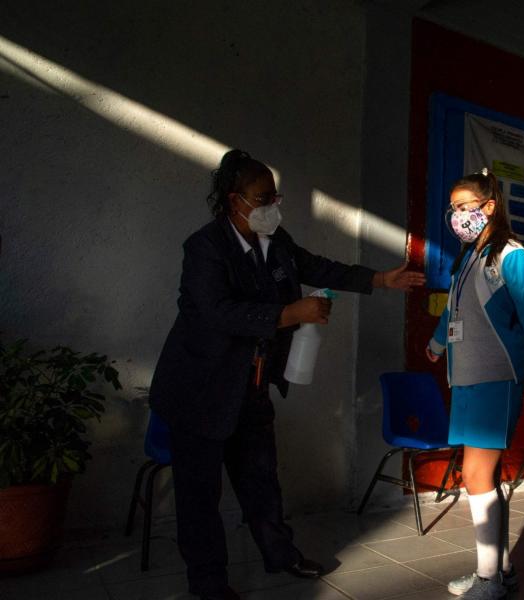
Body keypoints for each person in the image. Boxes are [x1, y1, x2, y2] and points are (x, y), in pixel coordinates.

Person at [150, 149, 424, 600]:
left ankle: (281, 555)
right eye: (263, 197)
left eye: (275, 196)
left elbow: (314, 266)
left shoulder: (275, 241)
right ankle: (208, 581)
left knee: (261, 479)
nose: (272, 205)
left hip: (250, 386)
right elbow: (216, 312)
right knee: (199, 494)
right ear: (234, 199)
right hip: (199, 389)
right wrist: (288, 312)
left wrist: (378, 280)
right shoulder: (204, 248)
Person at [425, 169, 524, 600]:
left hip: (497, 379)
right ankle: (501, 570)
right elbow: (452, 313)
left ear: (488, 207)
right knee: (482, 476)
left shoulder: (509, 256)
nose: (456, 216)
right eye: (453, 209)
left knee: (476, 475)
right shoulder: (467, 259)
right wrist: (437, 345)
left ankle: (488, 580)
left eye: (464, 207)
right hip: (468, 380)